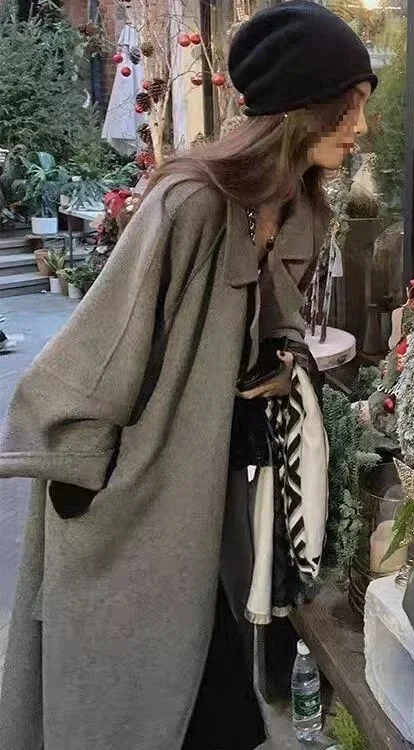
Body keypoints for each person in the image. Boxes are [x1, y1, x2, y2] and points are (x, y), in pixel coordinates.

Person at [0, 2, 376, 748]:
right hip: (134, 497)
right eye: (348, 106)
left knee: (208, 686)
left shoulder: (296, 208)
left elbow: (269, 328)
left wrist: (282, 362)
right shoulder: (192, 203)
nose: (360, 127)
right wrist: (74, 469)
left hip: (205, 495)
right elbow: (94, 349)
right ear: (299, 109)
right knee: (141, 696)